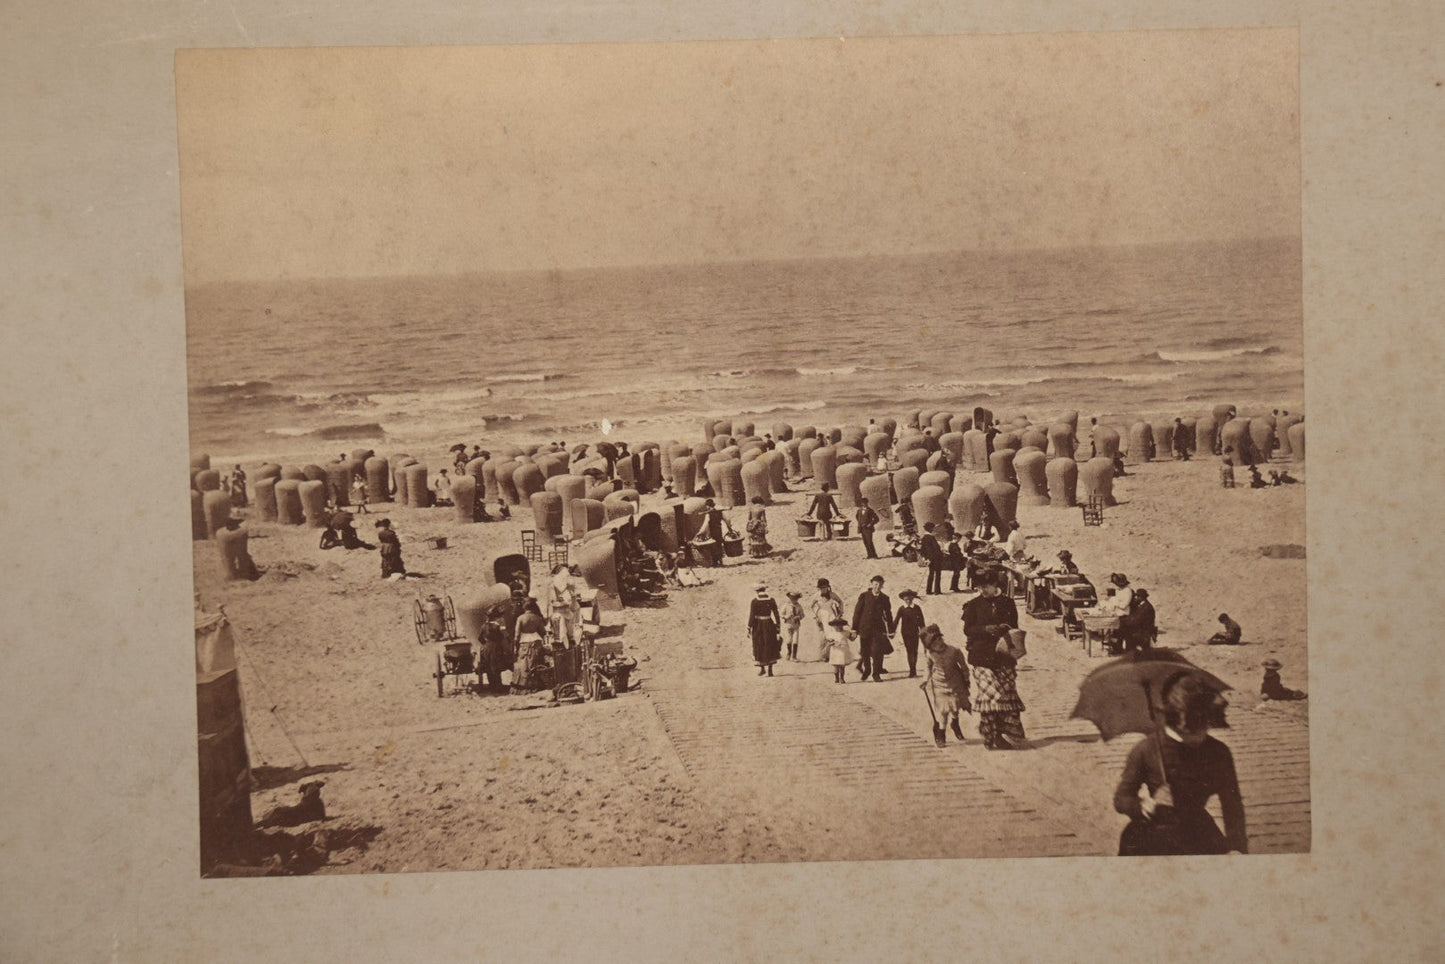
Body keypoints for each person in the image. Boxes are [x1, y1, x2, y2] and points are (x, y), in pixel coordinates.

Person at [1113, 672, 1247, 855]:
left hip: (1198, 835)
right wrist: (1143, 805)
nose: (1198, 737)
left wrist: (1236, 847)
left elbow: (1232, 806)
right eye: (1189, 733)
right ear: (1173, 724)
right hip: (1152, 835)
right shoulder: (1147, 749)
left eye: (1204, 729)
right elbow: (1121, 798)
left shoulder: (1218, 752)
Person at [961, 571, 1025, 750]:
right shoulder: (972, 605)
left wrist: (1003, 627)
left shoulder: (1008, 603)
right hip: (981, 657)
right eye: (980, 587)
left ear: (995, 585)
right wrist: (986, 629)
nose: (982, 590)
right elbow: (968, 630)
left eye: (986, 587)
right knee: (992, 695)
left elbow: (1014, 626)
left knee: (1005, 696)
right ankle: (992, 735)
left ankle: (998, 734)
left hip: (1004, 656)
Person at [922, 624, 971, 746]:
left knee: (954, 708)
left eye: (939, 639)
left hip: (955, 682)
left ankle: (955, 723)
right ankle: (941, 734)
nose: (938, 643)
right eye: (935, 641)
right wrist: (925, 680)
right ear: (931, 645)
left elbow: (964, 667)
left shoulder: (954, 651)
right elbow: (928, 667)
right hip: (939, 684)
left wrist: (966, 679)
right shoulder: (930, 654)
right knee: (943, 711)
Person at [851, 575, 895, 681]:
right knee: (865, 651)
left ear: (882, 585)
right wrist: (854, 629)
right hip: (864, 628)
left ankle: (876, 674)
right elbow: (857, 613)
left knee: (877, 652)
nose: (877, 587)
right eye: (875, 584)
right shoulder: (864, 596)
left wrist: (891, 630)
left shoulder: (885, 598)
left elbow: (888, 615)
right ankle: (867, 670)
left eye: (880, 585)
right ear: (871, 584)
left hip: (878, 629)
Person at [510, 598, 548, 693]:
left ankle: (522, 686)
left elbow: (517, 634)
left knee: (523, 664)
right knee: (536, 662)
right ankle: (536, 685)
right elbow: (543, 632)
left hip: (524, 642)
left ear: (524, 607)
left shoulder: (520, 618)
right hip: (536, 641)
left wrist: (515, 645)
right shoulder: (537, 618)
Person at [748, 584, 782, 676]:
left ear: (757, 591)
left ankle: (762, 668)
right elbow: (776, 614)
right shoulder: (771, 600)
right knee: (770, 644)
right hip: (769, 624)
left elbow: (752, 615)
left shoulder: (754, 601)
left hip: (758, 624)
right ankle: (770, 670)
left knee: (759, 644)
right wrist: (778, 626)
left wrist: (749, 627)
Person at [892, 588, 926, 677]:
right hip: (906, 633)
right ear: (903, 599)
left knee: (915, 651)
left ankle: (913, 668)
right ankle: (912, 670)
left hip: (915, 632)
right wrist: (892, 631)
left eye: (910, 599)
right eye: (906, 599)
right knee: (909, 650)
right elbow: (896, 621)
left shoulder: (917, 608)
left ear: (912, 599)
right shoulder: (902, 609)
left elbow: (922, 622)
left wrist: (923, 632)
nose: (908, 601)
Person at [475, 613, 512, 692]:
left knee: (488, 666)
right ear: (495, 617)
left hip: (486, 648)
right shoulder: (498, 626)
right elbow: (503, 637)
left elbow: (479, 638)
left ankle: (491, 685)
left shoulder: (484, 626)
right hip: (496, 648)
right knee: (496, 666)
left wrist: (485, 644)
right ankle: (498, 686)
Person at [811, 578, 846, 657]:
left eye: (824, 587)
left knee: (833, 633)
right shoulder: (817, 595)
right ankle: (824, 655)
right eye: (821, 588)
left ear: (828, 587)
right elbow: (812, 606)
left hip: (831, 615)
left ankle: (833, 654)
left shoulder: (832, 594)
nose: (823, 589)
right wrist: (816, 615)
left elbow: (840, 602)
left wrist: (840, 612)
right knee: (824, 635)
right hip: (821, 616)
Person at [549, 563, 581, 648]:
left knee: (569, 629)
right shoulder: (557, 583)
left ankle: (570, 639)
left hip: (565, 609)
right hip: (561, 610)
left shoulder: (558, 582)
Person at [1119, 588, 1156, 652]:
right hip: (1140, 627)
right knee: (1122, 628)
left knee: (1124, 629)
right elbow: (1134, 617)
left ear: (1142, 597)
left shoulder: (1146, 607)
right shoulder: (1140, 605)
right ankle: (1125, 649)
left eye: (1138, 596)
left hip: (1144, 630)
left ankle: (1128, 650)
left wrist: (1124, 621)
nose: (1136, 598)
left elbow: (1137, 619)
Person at [823, 618, 854, 683]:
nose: (838, 627)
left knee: (842, 666)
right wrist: (831, 643)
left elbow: (852, 638)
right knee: (836, 666)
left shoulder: (845, 632)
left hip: (843, 651)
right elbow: (828, 641)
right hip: (835, 651)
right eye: (836, 625)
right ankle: (836, 678)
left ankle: (842, 678)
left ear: (843, 625)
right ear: (833, 626)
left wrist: (854, 634)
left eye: (840, 625)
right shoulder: (831, 633)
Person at [920, 523, 944, 595]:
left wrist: (926, 558)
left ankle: (928, 590)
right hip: (935, 559)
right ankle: (937, 591)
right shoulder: (931, 538)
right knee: (937, 574)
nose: (933, 529)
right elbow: (934, 549)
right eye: (933, 528)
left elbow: (923, 550)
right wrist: (941, 552)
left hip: (930, 559)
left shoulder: (924, 538)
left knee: (931, 574)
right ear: (930, 529)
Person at [782, 591, 805, 661]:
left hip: (796, 625)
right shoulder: (786, 605)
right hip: (788, 625)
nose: (793, 600)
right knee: (789, 640)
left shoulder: (799, 606)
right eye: (792, 598)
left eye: (795, 599)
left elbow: (803, 615)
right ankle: (789, 653)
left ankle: (794, 656)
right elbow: (781, 614)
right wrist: (786, 616)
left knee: (795, 641)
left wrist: (799, 617)